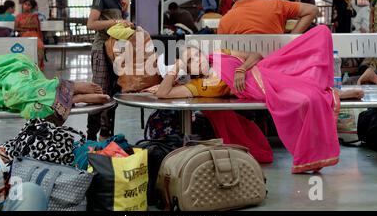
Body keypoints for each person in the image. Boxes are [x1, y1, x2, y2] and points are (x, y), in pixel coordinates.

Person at [152, 25, 364, 174]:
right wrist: (177, 67)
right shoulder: (198, 86)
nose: (197, 60)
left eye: (196, 54)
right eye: (191, 61)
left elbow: (255, 56)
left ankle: (332, 93)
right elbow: (164, 93)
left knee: (321, 33)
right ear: (188, 70)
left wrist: (241, 69)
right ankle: (334, 95)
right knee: (305, 99)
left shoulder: (219, 54)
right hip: (263, 89)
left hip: (265, 70)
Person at [0, 54, 109, 119]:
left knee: (17, 92)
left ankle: (69, 86)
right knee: (32, 111)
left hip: (1, 71)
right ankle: (72, 98)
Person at [86, 0, 134, 141]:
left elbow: (120, 23)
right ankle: (91, 135)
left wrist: (125, 10)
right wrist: (115, 22)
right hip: (101, 51)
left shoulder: (118, 1)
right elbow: (91, 24)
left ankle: (106, 134)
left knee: (112, 93)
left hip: (115, 51)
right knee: (100, 92)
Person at [14, 0, 45, 70]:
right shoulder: (18, 16)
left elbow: (35, 27)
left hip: (34, 34)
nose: (26, 6)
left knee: (40, 46)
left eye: (29, 5)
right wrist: (26, 29)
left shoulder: (34, 16)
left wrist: (25, 27)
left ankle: (38, 68)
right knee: (23, 47)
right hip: (23, 34)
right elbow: (16, 28)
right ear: (22, 5)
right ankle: (25, 67)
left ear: (31, 7)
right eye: (25, 4)